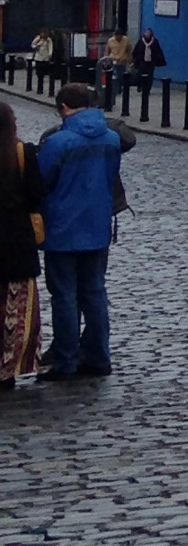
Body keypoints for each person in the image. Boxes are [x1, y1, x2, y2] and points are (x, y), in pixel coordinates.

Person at [36, 82, 125, 382]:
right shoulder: (111, 138)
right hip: (97, 227)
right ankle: (99, 357)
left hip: (63, 229)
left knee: (64, 296)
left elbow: (41, 181)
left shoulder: (58, 142)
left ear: (63, 108)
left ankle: (66, 361)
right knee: (95, 294)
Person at [0, 100, 45, 387]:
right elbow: (36, 195)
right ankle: (8, 368)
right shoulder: (21, 153)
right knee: (15, 308)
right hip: (16, 240)